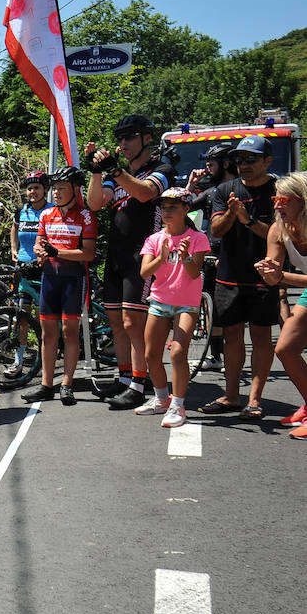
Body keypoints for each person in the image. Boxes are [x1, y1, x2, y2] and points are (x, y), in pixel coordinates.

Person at [84, 114, 175, 409]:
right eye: (120, 138)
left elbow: (146, 193)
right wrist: (97, 172)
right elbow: (95, 204)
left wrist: (116, 169)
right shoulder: (115, 175)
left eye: (129, 137)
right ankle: (125, 378)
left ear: (146, 138)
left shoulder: (160, 169)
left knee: (133, 321)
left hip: (144, 254)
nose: (123, 144)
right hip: (117, 253)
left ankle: (139, 382)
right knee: (116, 322)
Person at [201, 135, 279, 419]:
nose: (243, 164)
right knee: (232, 336)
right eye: (239, 160)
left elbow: (278, 234)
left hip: (263, 275)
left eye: (250, 159)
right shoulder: (225, 190)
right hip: (229, 276)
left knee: (260, 336)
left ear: (267, 161)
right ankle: (232, 396)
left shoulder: (278, 190)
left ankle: (255, 399)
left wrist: (247, 219)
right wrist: (233, 215)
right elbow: (216, 231)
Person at [129, 187, 211, 428]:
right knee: (151, 354)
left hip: (187, 303)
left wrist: (185, 256)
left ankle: (178, 405)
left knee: (177, 352)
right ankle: (162, 399)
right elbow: (145, 272)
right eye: (163, 207)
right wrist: (161, 256)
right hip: (159, 301)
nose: (166, 211)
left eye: (172, 207)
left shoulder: (198, 239)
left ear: (187, 209)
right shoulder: (154, 239)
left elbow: (195, 274)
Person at [20, 166, 96, 407]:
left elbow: (88, 253)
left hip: (73, 279)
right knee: (48, 333)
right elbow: (39, 245)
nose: (56, 193)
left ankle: (67, 384)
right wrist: (40, 250)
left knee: (69, 332)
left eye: (62, 188)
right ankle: (46, 384)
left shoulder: (85, 216)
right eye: (55, 189)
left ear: (75, 190)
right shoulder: (46, 215)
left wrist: (57, 251)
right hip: (50, 278)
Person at [254, 173, 307, 437]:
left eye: (284, 200)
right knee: (286, 349)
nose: (276, 206)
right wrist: (268, 272)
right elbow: (274, 271)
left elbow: (283, 276)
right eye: (275, 199)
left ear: (303, 202)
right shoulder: (278, 229)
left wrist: (281, 276)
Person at [188, 142, 236, 372]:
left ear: (226, 164)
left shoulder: (238, 189)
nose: (207, 169)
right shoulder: (210, 191)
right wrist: (190, 185)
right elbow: (182, 208)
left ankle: (230, 357)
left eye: (211, 164)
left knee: (229, 310)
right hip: (211, 254)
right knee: (211, 309)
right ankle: (216, 356)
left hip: (230, 256)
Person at [6, 169, 49, 377]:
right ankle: (18, 361)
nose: (33, 191)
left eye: (37, 188)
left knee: (43, 318)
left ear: (45, 189)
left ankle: (45, 359)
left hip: (43, 268)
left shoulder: (51, 211)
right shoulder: (21, 211)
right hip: (22, 268)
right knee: (21, 318)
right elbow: (14, 228)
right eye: (30, 188)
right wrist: (14, 248)